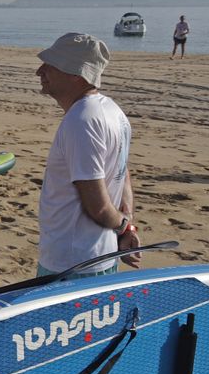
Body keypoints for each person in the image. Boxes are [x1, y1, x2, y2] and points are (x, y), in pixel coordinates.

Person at [34, 32, 139, 279]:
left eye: (50, 65)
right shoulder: (112, 110)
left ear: (76, 74)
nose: (40, 71)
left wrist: (124, 227)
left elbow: (98, 206)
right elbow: (123, 172)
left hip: (72, 263)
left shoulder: (82, 120)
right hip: (97, 257)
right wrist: (127, 226)